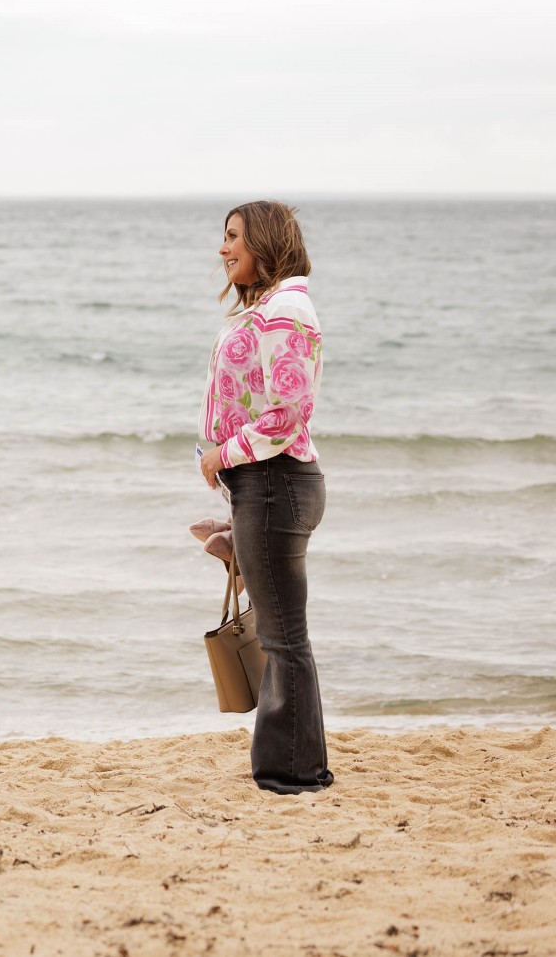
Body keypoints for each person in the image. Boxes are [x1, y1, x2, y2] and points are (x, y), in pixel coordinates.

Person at [196, 200, 332, 794]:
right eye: (223, 237)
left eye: (233, 237)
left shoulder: (286, 309)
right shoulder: (269, 307)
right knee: (280, 635)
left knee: (282, 638)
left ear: (264, 242)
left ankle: (292, 773)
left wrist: (221, 458)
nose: (223, 249)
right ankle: (297, 766)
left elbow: (286, 415)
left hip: (276, 483)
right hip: (264, 486)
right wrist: (234, 500)